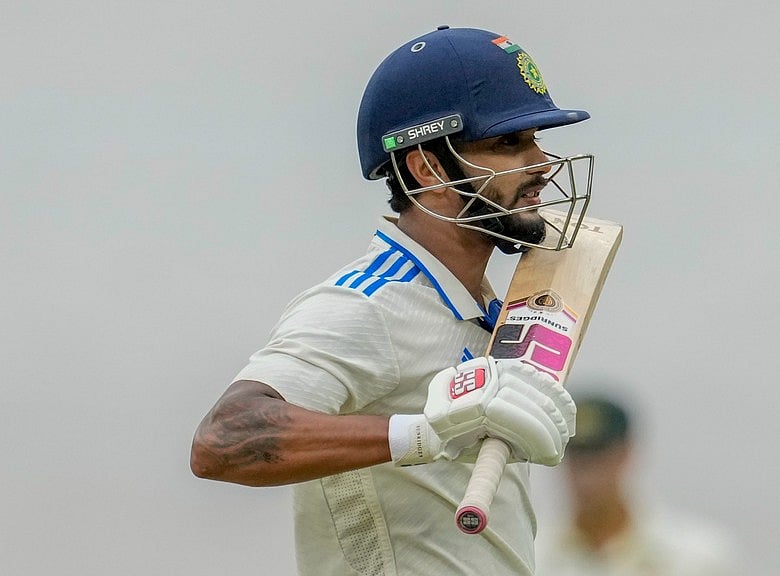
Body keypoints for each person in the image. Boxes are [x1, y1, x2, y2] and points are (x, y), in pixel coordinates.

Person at [190, 26, 596, 576]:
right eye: (508, 143)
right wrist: (427, 432)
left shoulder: (481, 307)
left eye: (537, 139)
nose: (542, 163)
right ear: (427, 168)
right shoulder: (368, 304)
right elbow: (224, 440)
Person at [534, 394, 742, 576]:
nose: (587, 477)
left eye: (599, 458)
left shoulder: (699, 558)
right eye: (577, 459)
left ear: (626, 454)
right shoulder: (532, 558)